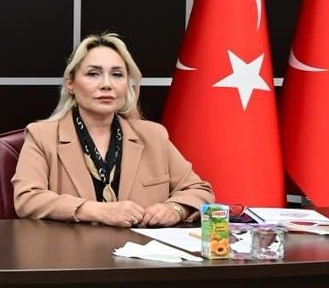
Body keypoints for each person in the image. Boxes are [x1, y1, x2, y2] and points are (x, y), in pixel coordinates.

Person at [12, 32, 213, 227]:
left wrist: (175, 209)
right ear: (70, 83)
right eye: (93, 74)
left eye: (117, 75)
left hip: (140, 249)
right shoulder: (42, 135)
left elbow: (199, 190)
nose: (107, 84)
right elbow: (27, 199)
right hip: (70, 248)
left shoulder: (153, 135)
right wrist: (97, 210)